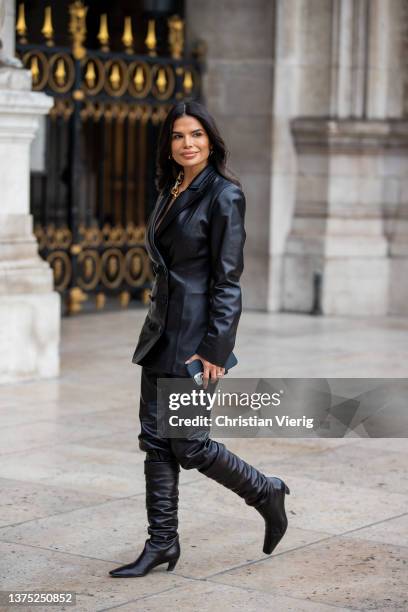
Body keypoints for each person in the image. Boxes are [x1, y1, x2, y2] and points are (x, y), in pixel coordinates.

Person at [109, 101, 290, 578]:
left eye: (196, 135)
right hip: (159, 333)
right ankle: (161, 544)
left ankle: (265, 491)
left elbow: (228, 279)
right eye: (177, 136)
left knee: (188, 443)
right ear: (168, 145)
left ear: (211, 140)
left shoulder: (224, 194)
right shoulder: (170, 188)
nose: (187, 144)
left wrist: (215, 347)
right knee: (156, 441)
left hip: (195, 340)